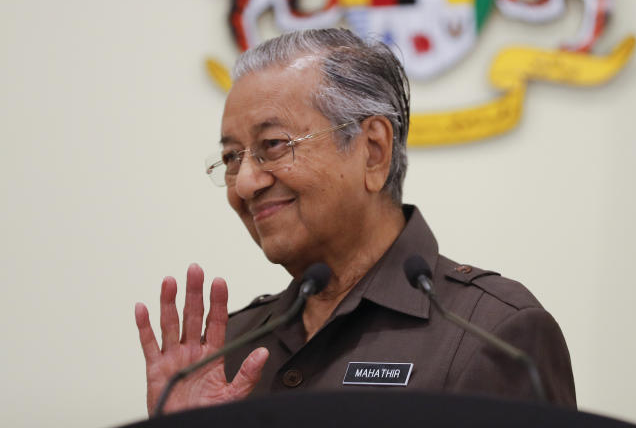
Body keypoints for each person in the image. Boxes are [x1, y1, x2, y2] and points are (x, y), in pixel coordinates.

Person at [134, 28, 576, 416]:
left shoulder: (489, 332)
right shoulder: (227, 350)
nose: (245, 182)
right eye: (232, 157)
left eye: (273, 144)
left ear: (373, 150)